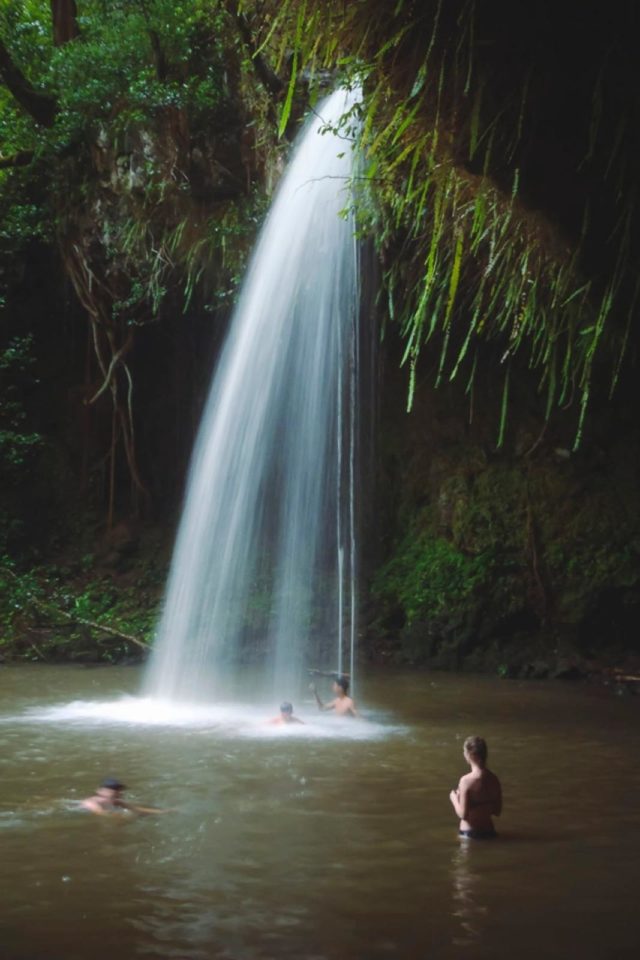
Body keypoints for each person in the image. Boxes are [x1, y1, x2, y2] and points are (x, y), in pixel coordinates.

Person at [449, 736, 502, 839]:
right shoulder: (494, 779)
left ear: (470, 755)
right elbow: (497, 811)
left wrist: (454, 798)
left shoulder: (466, 781)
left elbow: (463, 815)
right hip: (490, 832)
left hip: (469, 834)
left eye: (464, 752)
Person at [80, 778, 170, 817]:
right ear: (100, 791)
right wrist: (126, 816)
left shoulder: (116, 802)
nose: (118, 791)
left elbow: (137, 809)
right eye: (113, 789)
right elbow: (101, 813)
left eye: (119, 789)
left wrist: (163, 812)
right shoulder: (91, 802)